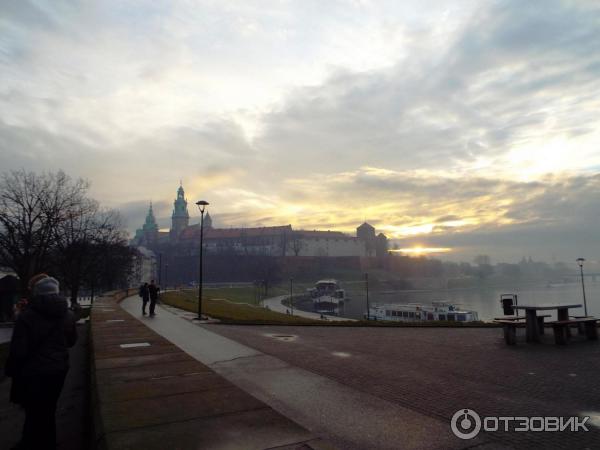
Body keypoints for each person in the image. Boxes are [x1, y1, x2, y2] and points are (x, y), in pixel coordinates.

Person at [5, 275, 77, 450]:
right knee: (48, 409)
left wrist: (11, 370)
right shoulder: (67, 314)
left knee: (34, 412)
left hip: (34, 372)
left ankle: (29, 443)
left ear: (36, 293)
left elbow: (19, 351)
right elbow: (71, 342)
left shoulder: (27, 317)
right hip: (59, 369)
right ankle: (48, 442)